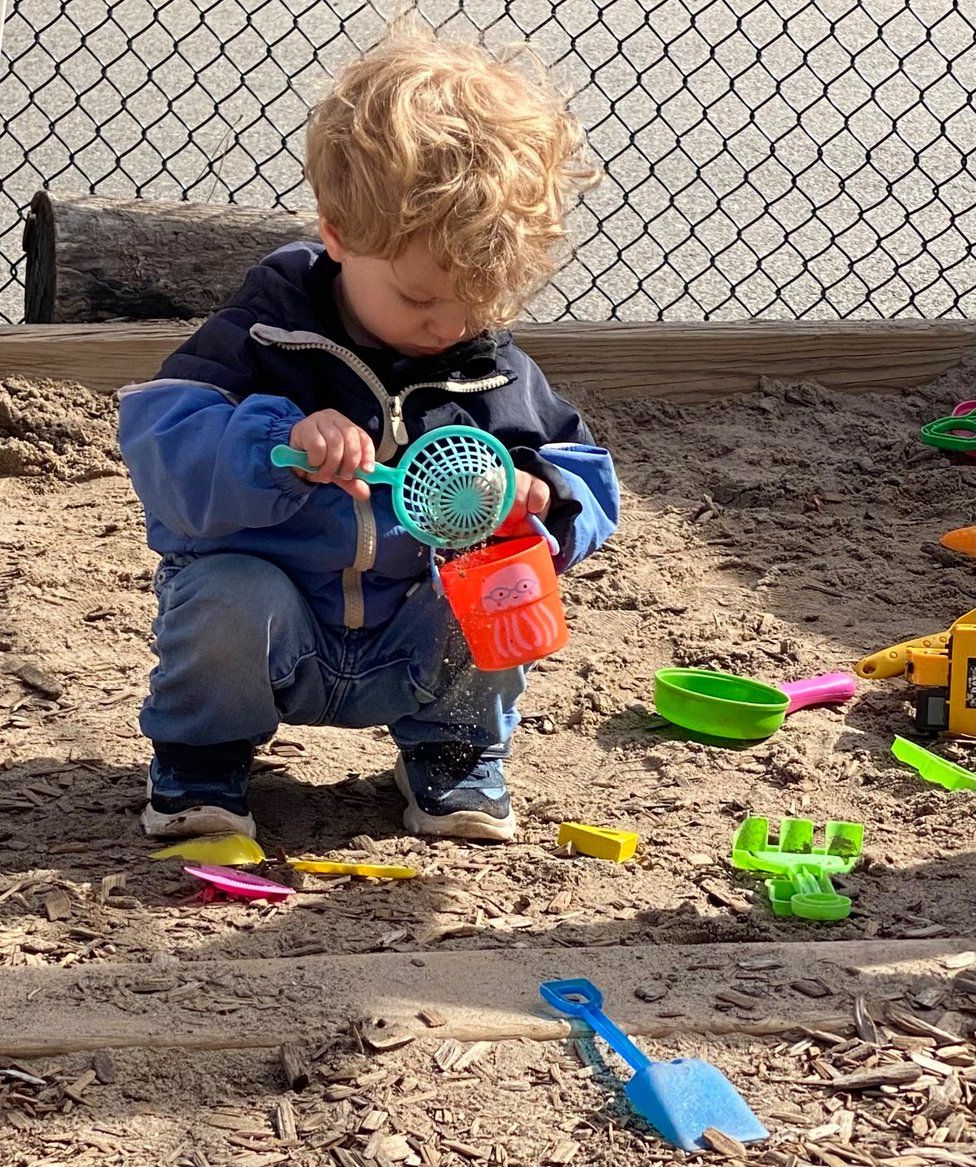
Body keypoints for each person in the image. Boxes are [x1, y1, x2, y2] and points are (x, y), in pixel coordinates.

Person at [118, 31, 619, 844]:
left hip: (408, 640)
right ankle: (202, 757)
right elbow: (160, 441)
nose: (448, 324)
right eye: (421, 297)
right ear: (340, 234)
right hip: (284, 629)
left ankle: (456, 753)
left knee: (501, 585)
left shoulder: (484, 362)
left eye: (477, 299)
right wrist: (276, 440)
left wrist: (543, 499)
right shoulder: (269, 334)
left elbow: (587, 473)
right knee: (225, 593)